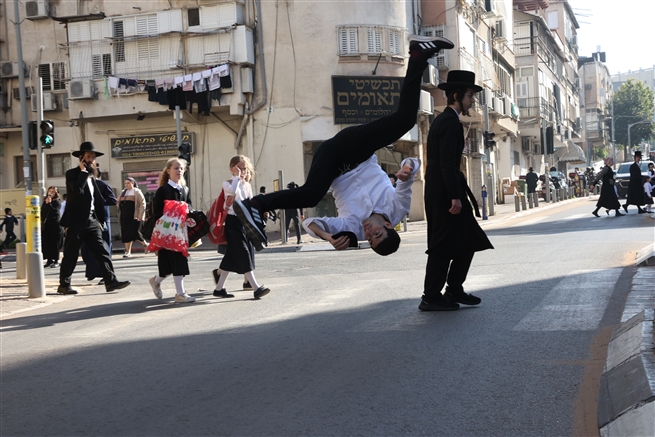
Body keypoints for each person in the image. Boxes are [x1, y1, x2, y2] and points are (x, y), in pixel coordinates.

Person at [234, 35, 454, 255]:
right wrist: (407, 169)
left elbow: (310, 223)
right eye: (376, 233)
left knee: (311, 195)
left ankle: (256, 204)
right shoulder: (398, 208)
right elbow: (412, 163)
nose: (368, 233)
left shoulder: (353, 230)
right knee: (405, 121)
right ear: (388, 226)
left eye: (369, 238)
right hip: (356, 150)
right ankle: (418, 55)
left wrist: (328, 237)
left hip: (332, 163)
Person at [419, 70, 494, 312]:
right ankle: (431, 296)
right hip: (444, 194)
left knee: (467, 240)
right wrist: (454, 196)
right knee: (444, 245)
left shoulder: (447, 120)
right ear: (456, 95)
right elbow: (446, 164)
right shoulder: (449, 122)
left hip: (443, 191)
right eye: (470, 96)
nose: (472, 100)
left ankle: (453, 289)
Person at [57, 142, 131, 295]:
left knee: (101, 251)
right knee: (70, 254)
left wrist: (100, 220)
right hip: (76, 222)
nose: (92, 160)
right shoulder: (72, 174)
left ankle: (111, 281)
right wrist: (83, 172)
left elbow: (97, 199)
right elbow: (77, 191)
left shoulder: (92, 178)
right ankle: (64, 285)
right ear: (81, 158)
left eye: (93, 157)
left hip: (91, 221)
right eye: (89, 157)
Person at [211, 155, 270, 299]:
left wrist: (261, 210)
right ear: (232, 168)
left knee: (231, 255)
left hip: (244, 222)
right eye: (240, 168)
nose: (243, 171)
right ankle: (256, 288)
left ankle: (219, 289)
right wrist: (237, 178)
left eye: (245, 168)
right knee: (243, 252)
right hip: (232, 221)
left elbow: (249, 203)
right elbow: (231, 193)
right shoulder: (228, 183)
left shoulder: (247, 185)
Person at [148, 158, 196, 303]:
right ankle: (178, 293)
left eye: (181, 168)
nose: (179, 171)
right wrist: (173, 211)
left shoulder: (185, 189)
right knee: (169, 265)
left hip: (180, 233)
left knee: (176, 262)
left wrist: (188, 212)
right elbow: (156, 212)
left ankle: (158, 282)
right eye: (176, 168)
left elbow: (190, 207)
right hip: (167, 233)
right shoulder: (163, 190)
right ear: (168, 171)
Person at [81, 165, 117, 284]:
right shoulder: (85, 185)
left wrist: (99, 201)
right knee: (88, 248)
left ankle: (105, 276)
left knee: (104, 247)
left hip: (102, 220)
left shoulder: (103, 185)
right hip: (89, 219)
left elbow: (113, 200)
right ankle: (92, 272)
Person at [118, 177, 148, 257]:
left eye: (128, 183)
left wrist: (141, 214)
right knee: (126, 233)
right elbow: (118, 203)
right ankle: (128, 252)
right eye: (125, 183)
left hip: (135, 216)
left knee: (135, 232)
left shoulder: (137, 191)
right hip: (124, 217)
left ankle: (145, 244)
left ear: (133, 183)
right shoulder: (123, 192)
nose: (126, 185)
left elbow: (142, 203)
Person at [41, 186, 64, 267]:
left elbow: (55, 212)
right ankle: (49, 260)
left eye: (53, 192)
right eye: (49, 191)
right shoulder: (45, 201)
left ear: (56, 193)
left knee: (55, 243)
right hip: (47, 225)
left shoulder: (57, 202)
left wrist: (50, 203)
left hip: (55, 225)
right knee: (47, 243)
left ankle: (56, 260)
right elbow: (43, 211)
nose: (50, 193)